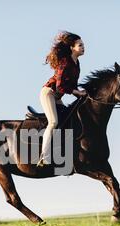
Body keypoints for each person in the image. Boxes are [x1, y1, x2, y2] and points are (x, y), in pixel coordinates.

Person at [37, 31, 87, 168]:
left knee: (66, 119)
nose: (83, 47)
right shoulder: (65, 62)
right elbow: (59, 87)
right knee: (53, 122)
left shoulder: (77, 64)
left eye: (83, 45)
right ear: (72, 47)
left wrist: (83, 94)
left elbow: (73, 86)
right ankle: (44, 157)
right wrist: (77, 92)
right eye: (80, 45)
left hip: (58, 96)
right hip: (49, 93)